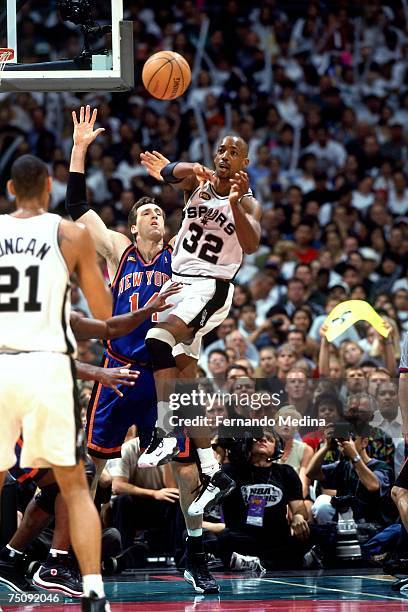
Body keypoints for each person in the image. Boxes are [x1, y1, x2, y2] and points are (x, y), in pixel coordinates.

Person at [65, 107, 220, 595]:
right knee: (91, 464)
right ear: (132, 229)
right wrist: (80, 148)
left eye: (158, 211)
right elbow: (75, 208)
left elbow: (206, 198)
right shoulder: (116, 249)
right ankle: (73, 555)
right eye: (146, 213)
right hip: (119, 370)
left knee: (185, 463)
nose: (155, 214)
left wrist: (175, 172)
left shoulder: (183, 251)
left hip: (163, 371)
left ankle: (195, 551)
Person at [140, 136, 261, 592]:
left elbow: (249, 244)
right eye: (221, 150)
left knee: (157, 338)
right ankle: (216, 472)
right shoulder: (199, 179)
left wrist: (233, 203)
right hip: (179, 281)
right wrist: (178, 167)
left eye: (233, 152)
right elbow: (171, 173)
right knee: (185, 382)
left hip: (209, 287)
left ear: (246, 162)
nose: (224, 155)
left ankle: (165, 431)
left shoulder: (247, 201)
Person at [0, 153, 112, 611]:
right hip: (47, 365)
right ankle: (93, 591)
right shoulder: (71, 234)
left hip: (3, 363)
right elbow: (104, 314)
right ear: (49, 187)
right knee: (75, 485)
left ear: (11, 189)